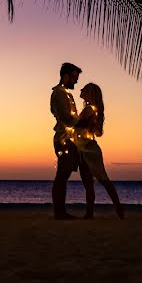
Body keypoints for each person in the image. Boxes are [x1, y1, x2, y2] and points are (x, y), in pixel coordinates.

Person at [71, 83, 124, 219]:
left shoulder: (89, 109)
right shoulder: (92, 110)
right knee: (92, 183)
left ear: (90, 93)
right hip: (82, 149)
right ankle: (92, 212)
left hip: (89, 149)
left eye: (84, 89)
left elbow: (75, 124)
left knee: (101, 180)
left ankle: (115, 209)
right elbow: (97, 131)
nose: (81, 90)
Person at [50, 62, 89, 220]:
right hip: (64, 139)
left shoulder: (65, 93)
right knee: (62, 176)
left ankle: (60, 211)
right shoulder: (59, 94)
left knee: (63, 176)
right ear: (65, 76)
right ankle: (59, 212)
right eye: (74, 77)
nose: (76, 81)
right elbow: (66, 117)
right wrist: (83, 122)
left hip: (70, 139)